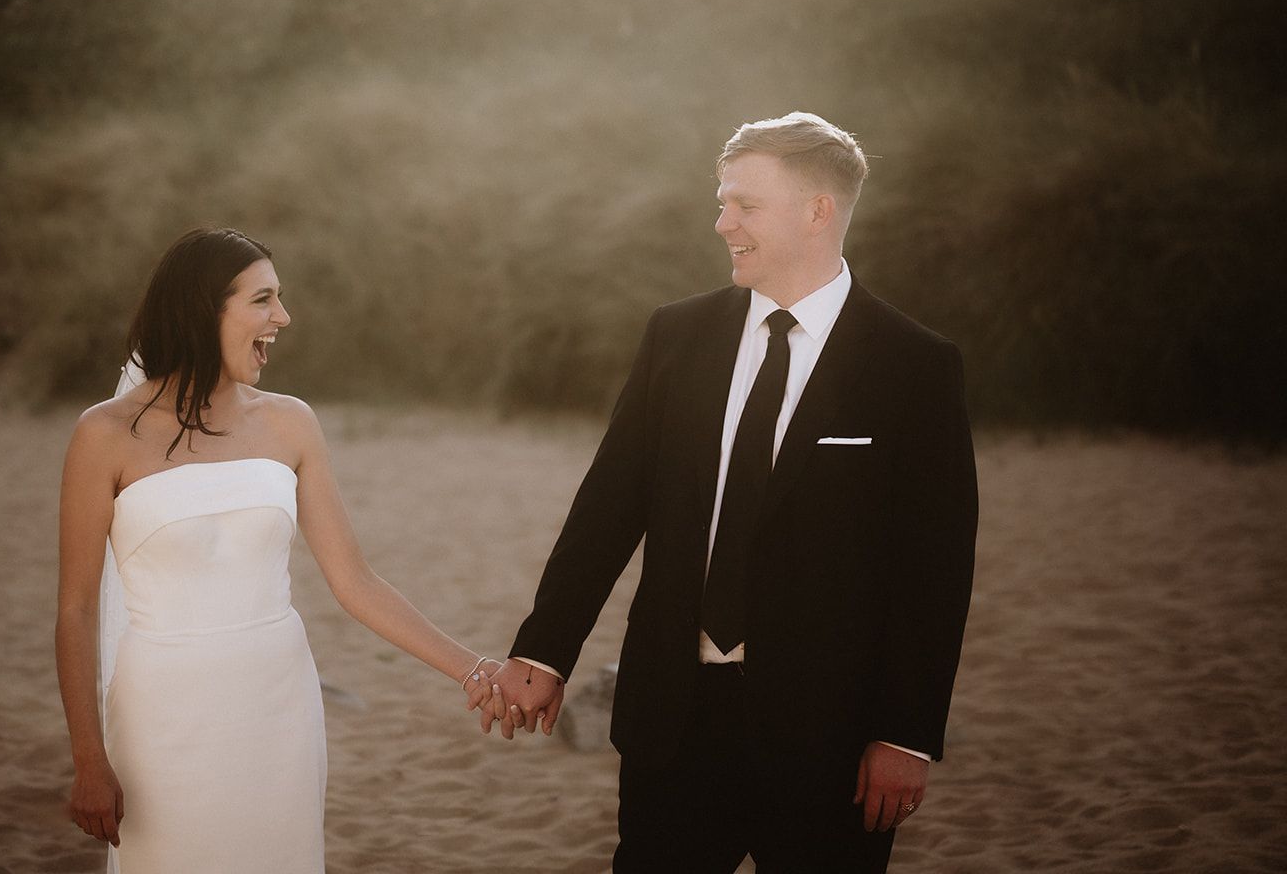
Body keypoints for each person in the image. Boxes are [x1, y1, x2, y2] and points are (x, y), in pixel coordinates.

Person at [472, 113, 978, 872]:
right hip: (674, 718)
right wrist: (544, 652)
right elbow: (609, 508)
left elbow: (933, 568)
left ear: (818, 211)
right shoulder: (677, 335)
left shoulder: (913, 366)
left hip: (830, 737)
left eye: (744, 205)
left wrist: (905, 734)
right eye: (721, 201)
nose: (721, 224)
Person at [54, 227, 500, 873]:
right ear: (205, 309)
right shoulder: (103, 435)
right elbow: (75, 610)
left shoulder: (291, 422)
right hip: (162, 716)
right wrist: (89, 760)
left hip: (278, 706)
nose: (283, 318)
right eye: (264, 300)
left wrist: (474, 669)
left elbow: (357, 582)